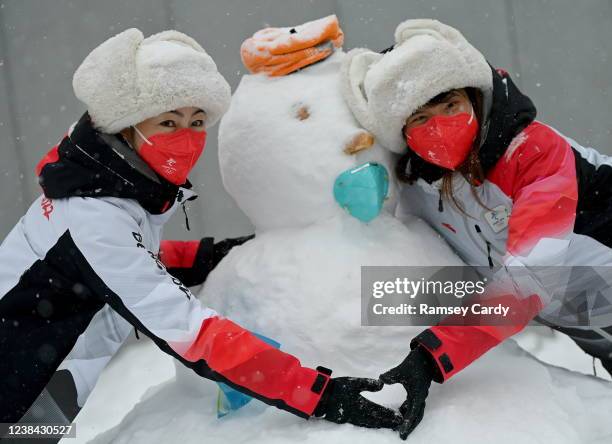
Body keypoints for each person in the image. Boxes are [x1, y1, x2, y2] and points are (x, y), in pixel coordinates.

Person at [0, 28, 402, 435]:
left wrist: (219, 255)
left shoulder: (103, 189)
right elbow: (190, 329)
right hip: (21, 393)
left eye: (196, 121)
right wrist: (318, 393)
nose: (186, 138)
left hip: (46, 381)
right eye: (168, 122)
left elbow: (125, 262)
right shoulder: (94, 217)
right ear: (126, 126)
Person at [342, 18, 612, 439]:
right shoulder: (418, 188)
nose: (439, 124)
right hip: (592, 321)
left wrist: (433, 355)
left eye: (449, 105)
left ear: (473, 96)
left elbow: (531, 275)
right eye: (420, 117)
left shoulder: (533, 151)